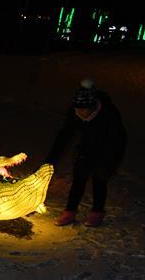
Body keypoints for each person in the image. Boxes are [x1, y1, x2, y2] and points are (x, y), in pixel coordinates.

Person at [46, 78, 126, 227]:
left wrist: (109, 162)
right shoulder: (75, 112)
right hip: (86, 148)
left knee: (99, 179)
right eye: (78, 110)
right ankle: (69, 211)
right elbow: (64, 136)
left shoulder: (108, 114)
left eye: (84, 110)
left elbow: (118, 140)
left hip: (107, 149)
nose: (80, 113)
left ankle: (97, 212)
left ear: (93, 107)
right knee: (78, 179)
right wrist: (49, 160)